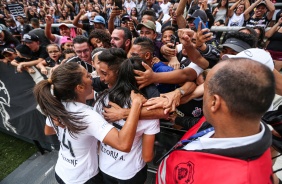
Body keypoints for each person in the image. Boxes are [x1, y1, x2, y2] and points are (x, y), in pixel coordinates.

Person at [157, 59, 275, 183]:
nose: (200, 93)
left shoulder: (240, 179)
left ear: (214, 102)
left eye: (205, 89)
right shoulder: (233, 121)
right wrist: (178, 93)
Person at [33, 62, 146, 184]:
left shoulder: (57, 107)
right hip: (84, 178)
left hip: (62, 171)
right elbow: (123, 144)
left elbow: (48, 131)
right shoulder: (88, 116)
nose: (92, 77)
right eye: (87, 76)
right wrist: (136, 105)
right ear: (80, 87)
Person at [95, 56, 160, 184]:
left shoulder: (101, 99)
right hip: (130, 172)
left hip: (105, 165)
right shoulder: (149, 111)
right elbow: (147, 157)